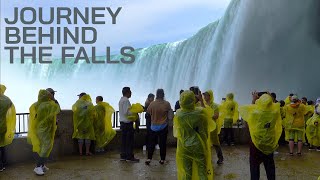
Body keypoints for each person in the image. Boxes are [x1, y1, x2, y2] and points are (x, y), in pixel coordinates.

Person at [239, 93, 282, 180]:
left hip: (256, 143)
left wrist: (254, 100)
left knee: (254, 165)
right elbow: (274, 106)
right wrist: (269, 97)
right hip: (269, 143)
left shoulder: (255, 113)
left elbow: (247, 119)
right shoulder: (275, 113)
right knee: (270, 166)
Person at [174, 90, 215, 179]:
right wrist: (200, 100)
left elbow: (177, 132)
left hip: (184, 146)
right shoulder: (201, 113)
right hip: (199, 146)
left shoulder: (179, 114)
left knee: (187, 173)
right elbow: (205, 131)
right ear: (193, 100)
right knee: (202, 172)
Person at [28, 89, 60, 176]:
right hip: (45, 129)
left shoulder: (36, 104)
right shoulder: (48, 105)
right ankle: (38, 167)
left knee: (44, 148)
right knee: (46, 148)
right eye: (50, 94)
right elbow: (58, 109)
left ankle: (42, 165)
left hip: (40, 128)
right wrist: (53, 99)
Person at [145, 89, 173, 165]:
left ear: (156, 95)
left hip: (153, 126)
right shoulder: (167, 104)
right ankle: (162, 159)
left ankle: (149, 158)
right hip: (163, 126)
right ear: (163, 95)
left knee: (151, 143)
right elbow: (170, 116)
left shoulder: (152, 104)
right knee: (162, 144)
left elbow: (148, 113)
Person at [203, 90, 224, 165]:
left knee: (215, 142)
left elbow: (216, 116)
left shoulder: (214, 105)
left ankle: (220, 157)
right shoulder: (203, 104)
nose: (204, 96)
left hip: (213, 127)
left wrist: (208, 115)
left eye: (206, 95)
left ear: (210, 96)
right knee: (205, 142)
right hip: (205, 127)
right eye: (204, 95)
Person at [119, 87, 139, 162]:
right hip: (127, 123)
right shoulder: (126, 100)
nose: (131, 93)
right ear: (127, 92)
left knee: (124, 141)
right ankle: (129, 157)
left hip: (123, 122)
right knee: (129, 141)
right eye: (130, 92)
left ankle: (123, 156)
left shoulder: (121, 100)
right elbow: (127, 112)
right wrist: (135, 111)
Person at [0, 85, 16, 172]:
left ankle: (0, 166)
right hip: (3, 126)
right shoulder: (7, 99)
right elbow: (12, 109)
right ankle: (4, 163)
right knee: (2, 145)